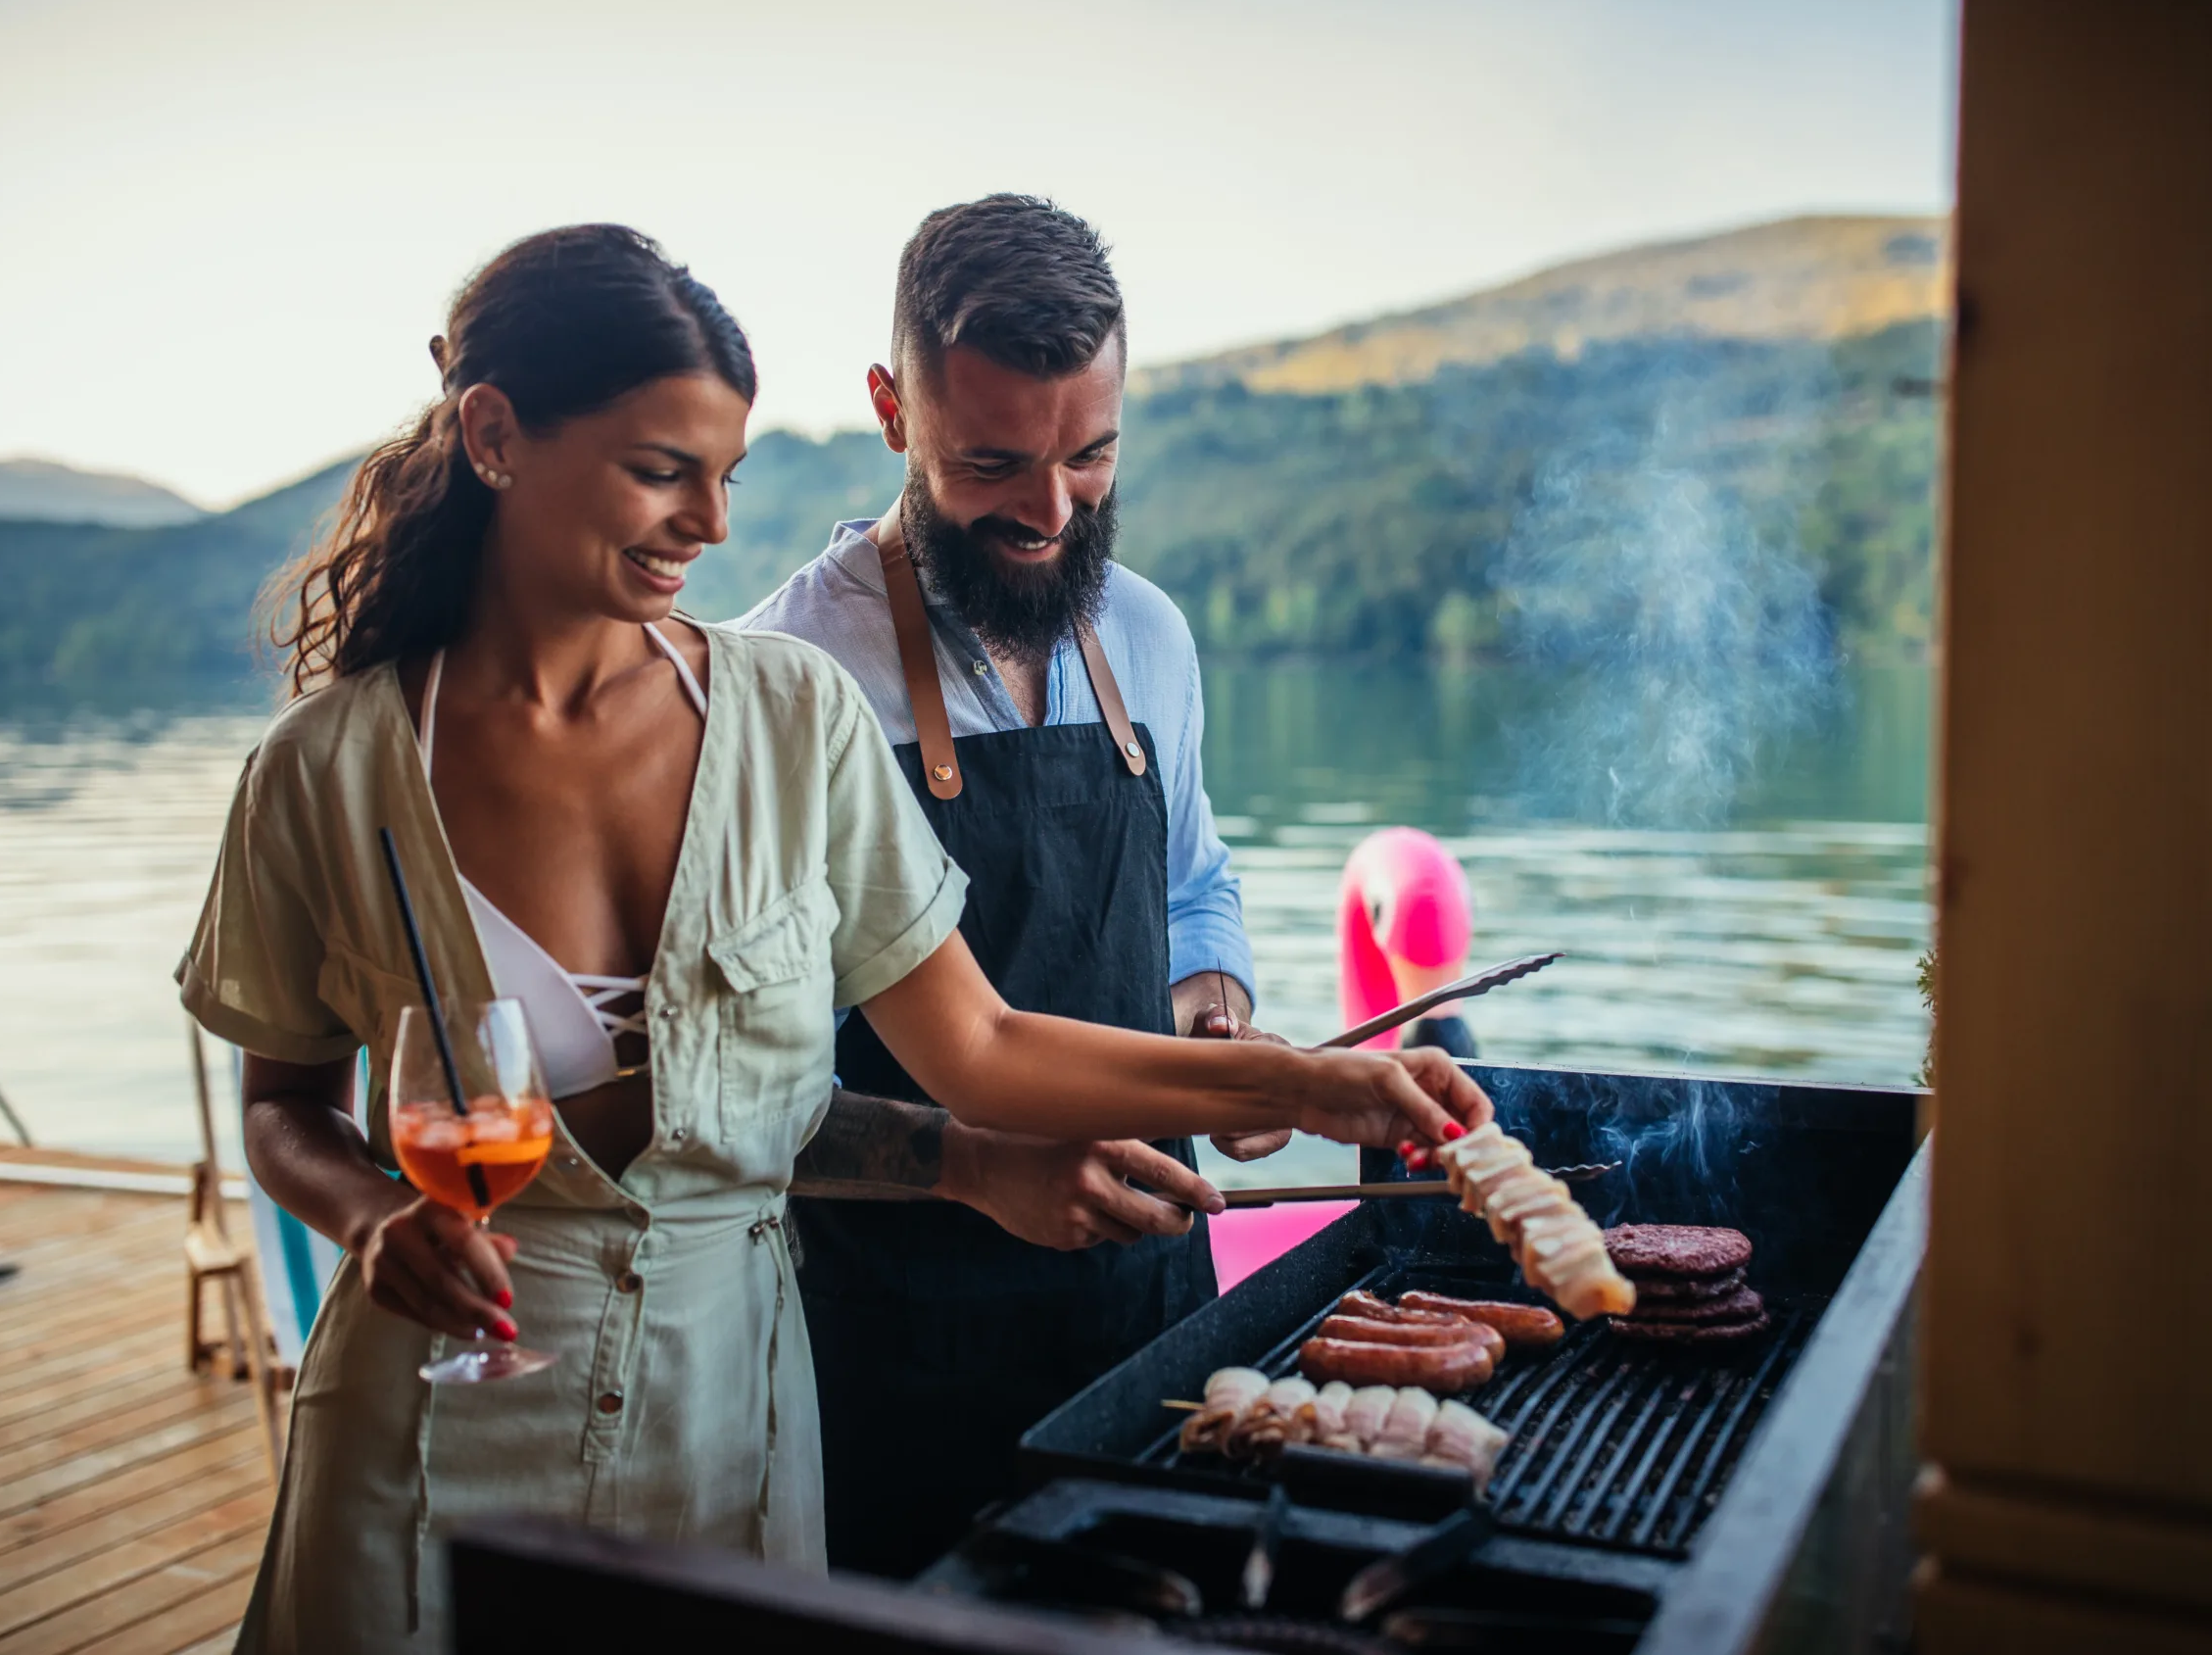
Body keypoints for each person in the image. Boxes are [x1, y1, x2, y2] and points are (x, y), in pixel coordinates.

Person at [177, 223, 1488, 1654]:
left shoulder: (789, 713)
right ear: (493, 434)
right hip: (461, 1419)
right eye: (661, 471)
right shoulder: (328, 769)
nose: (712, 523)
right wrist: (372, 1215)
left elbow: (994, 1029)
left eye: (725, 475)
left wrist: (1293, 1075)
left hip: (739, 1415)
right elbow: (285, 1103)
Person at [735, 194, 1288, 1577]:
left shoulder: (1150, 635)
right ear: (889, 409)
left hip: (1151, 1316)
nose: (1051, 511)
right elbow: (740, 1099)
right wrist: (975, 1167)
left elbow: (1194, 881)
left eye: (1091, 455)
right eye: (992, 463)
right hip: (894, 1346)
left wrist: (1212, 1015)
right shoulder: (786, 683)